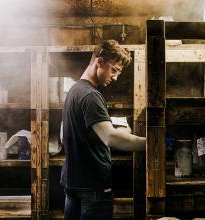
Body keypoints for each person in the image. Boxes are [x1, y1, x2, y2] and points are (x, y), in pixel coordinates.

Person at [61, 39, 146, 220]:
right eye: (114, 70)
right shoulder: (91, 95)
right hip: (93, 187)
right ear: (99, 62)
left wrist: (119, 131)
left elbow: (93, 132)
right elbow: (110, 138)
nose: (115, 77)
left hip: (72, 183)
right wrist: (151, 144)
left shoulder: (75, 91)